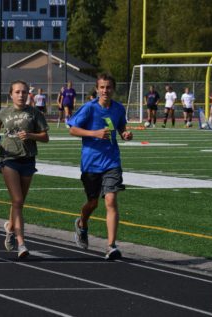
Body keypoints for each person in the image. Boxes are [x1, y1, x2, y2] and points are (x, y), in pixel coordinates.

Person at [68, 73, 133, 260]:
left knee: (111, 200)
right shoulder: (89, 108)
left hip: (112, 161)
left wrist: (125, 134)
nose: (105, 90)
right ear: (97, 89)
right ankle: (82, 223)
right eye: (102, 87)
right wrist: (94, 133)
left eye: (109, 87)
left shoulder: (118, 109)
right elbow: (72, 129)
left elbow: (121, 127)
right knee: (92, 203)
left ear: (114, 89)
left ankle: (111, 246)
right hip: (91, 163)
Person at [0, 80, 49, 259]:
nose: (21, 95)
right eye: (17, 92)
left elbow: (45, 137)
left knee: (19, 202)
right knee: (16, 199)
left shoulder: (34, 113)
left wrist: (30, 135)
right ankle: (22, 243)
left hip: (28, 159)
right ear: (11, 94)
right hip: (9, 159)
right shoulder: (4, 112)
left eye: (24, 92)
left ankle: (9, 228)